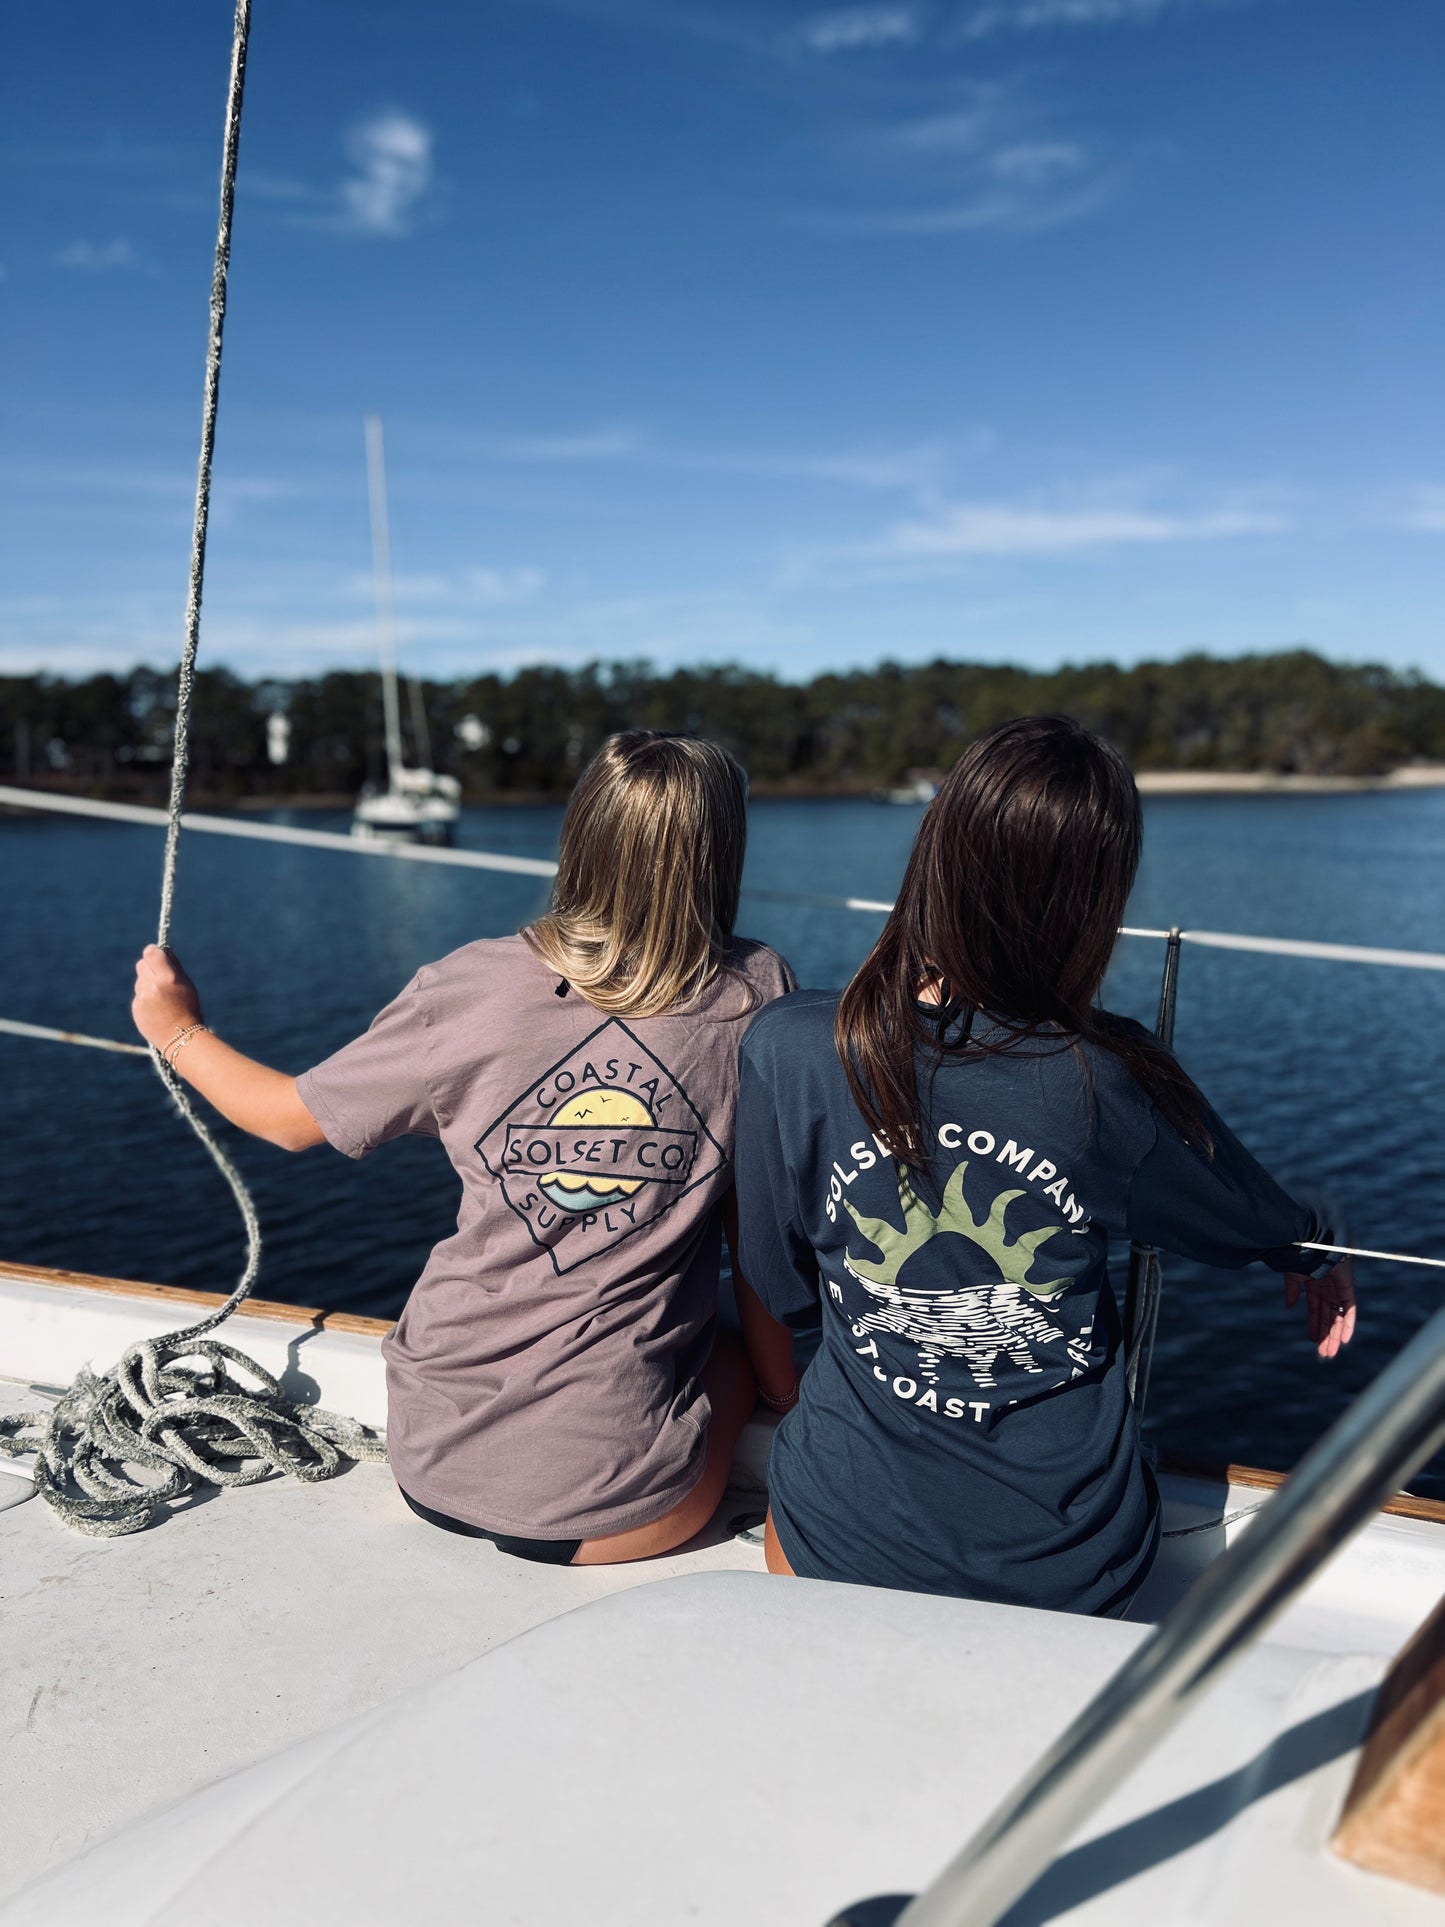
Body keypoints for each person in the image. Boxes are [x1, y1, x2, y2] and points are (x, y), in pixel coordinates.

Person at [734, 714, 1356, 1615]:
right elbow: (1250, 1218)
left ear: (934, 856)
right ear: (1090, 903)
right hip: (1061, 1566)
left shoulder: (787, 1049)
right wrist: (1318, 1239)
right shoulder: (1103, 1079)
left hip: (838, 1533)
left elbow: (775, 1284)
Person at [131, 730, 799, 1565]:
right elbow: (757, 1234)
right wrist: (779, 1386)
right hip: (609, 1509)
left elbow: (286, 1118)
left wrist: (176, 1028)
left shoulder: (467, 985)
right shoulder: (757, 993)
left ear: (579, 834)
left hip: (428, 1454)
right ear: (721, 851)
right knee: (730, 1358)